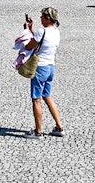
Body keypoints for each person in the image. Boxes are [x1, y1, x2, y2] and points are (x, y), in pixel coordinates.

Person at [22, 7, 65, 139]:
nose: (40, 18)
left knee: (36, 100)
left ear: (47, 18)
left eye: (42, 16)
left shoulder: (42, 31)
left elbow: (30, 46)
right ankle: (59, 127)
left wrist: (25, 32)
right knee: (47, 96)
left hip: (40, 67)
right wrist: (31, 29)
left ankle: (38, 131)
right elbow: (41, 39)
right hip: (50, 66)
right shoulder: (56, 31)